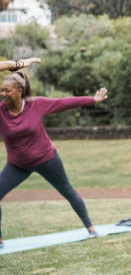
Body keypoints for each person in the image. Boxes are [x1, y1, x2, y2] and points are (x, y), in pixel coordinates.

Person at [0, 58, 108, 249]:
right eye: (1, 90)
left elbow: (64, 102)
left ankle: (90, 227)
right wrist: (16, 63)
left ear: (19, 91)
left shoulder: (36, 104)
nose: (3, 94)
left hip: (46, 159)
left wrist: (93, 99)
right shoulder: (1, 110)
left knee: (67, 190)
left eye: (7, 90)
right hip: (18, 165)